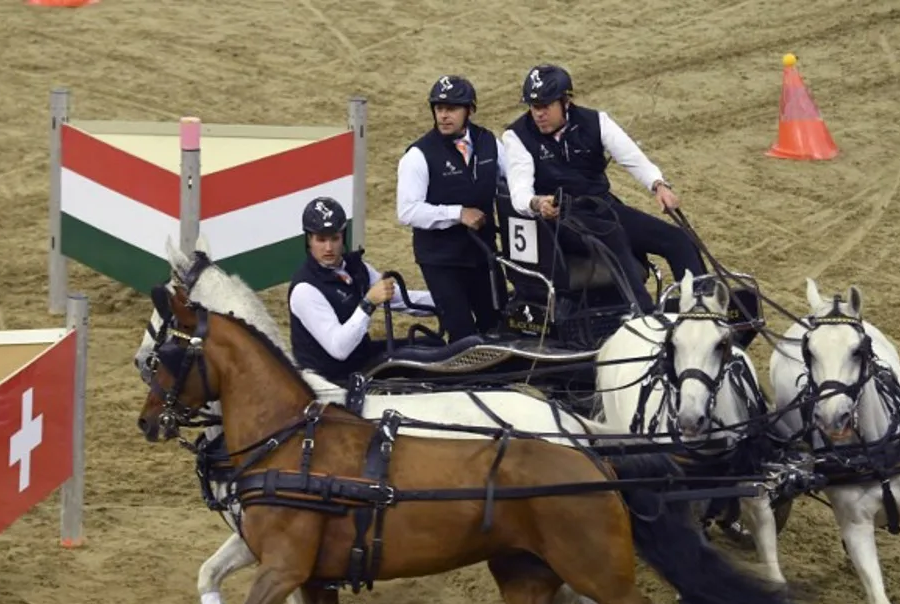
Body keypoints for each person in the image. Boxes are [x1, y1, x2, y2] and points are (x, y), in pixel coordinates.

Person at [502, 63, 707, 312]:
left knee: (678, 239)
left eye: (545, 106)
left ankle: (701, 311)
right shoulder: (517, 137)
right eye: (534, 107)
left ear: (565, 102)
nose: (538, 114)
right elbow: (519, 190)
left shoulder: (596, 122)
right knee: (613, 237)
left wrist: (659, 185)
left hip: (602, 207)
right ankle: (646, 316)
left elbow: (631, 157)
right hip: (560, 221)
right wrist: (537, 203)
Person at [397, 74, 508, 342]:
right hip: (441, 260)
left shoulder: (489, 143)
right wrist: (457, 213)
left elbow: (512, 183)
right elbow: (407, 211)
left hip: (482, 254)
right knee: (463, 336)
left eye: (452, 109)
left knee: (499, 325)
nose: (444, 116)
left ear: (469, 110)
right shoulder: (418, 156)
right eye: (439, 109)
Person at [288, 196, 436, 383]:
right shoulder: (305, 289)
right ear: (309, 240)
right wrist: (367, 304)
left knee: (433, 348)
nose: (328, 248)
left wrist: (448, 301)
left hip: (361, 359)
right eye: (321, 240)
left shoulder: (356, 268)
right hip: (331, 381)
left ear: (343, 236)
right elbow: (339, 348)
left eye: (335, 238)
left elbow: (401, 299)